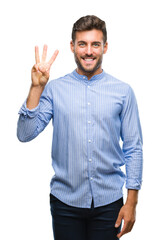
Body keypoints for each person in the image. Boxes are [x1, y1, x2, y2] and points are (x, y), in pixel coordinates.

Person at [17, 15, 143, 240]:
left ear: (105, 47)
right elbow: (24, 134)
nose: (89, 51)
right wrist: (36, 88)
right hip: (65, 203)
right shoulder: (55, 89)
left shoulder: (123, 92)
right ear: (72, 46)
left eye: (95, 44)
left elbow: (133, 148)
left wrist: (132, 201)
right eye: (82, 44)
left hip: (109, 203)